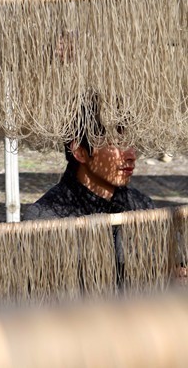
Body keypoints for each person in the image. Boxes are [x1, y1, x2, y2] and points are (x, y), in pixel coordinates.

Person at [24, 103, 153, 282]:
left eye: (131, 144)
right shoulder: (45, 218)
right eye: (115, 144)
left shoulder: (143, 207)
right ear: (80, 152)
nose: (131, 155)